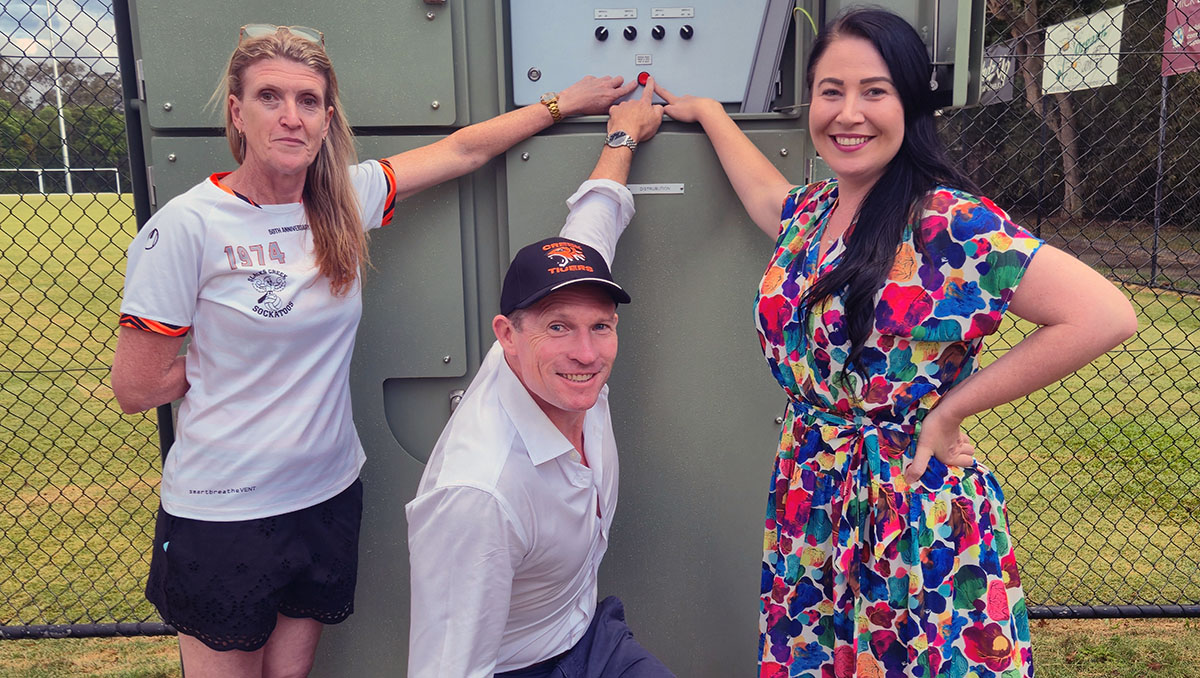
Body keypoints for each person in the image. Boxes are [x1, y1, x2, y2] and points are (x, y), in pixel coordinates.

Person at [109, 23, 640, 678]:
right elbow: (137, 388)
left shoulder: (341, 200)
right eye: (270, 97)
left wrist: (562, 104)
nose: (291, 116)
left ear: (327, 119)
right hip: (226, 507)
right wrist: (229, 363)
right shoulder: (187, 226)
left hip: (323, 492)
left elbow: (463, 149)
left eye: (308, 101)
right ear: (237, 113)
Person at [657, 8, 1137, 677]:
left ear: (910, 103)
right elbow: (766, 195)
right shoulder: (814, 212)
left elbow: (1104, 314)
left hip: (906, 507)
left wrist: (951, 411)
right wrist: (711, 113)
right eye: (831, 91)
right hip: (812, 496)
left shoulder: (947, 220)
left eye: (874, 91)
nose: (848, 113)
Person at [406, 81, 674, 678]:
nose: (586, 353)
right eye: (559, 328)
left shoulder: (553, 367)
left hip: (589, 635)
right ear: (507, 335)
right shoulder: (479, 495)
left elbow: (594, 221)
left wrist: (623, 136)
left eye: (601, 326)